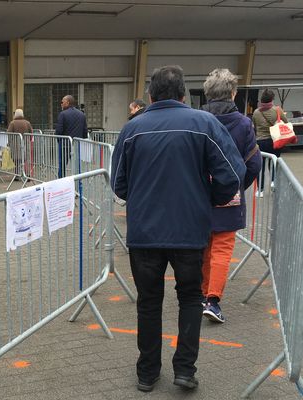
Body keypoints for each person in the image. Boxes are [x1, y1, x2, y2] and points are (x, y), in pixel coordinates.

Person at [111, 65, 245, 393]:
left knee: (148, 301)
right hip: (190, 230)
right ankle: (185, 370)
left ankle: (147, 373)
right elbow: (232, 174)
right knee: (189, 297)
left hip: (144, 233)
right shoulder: (204, 124)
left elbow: (118, 183)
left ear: (150, 96)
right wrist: (208, 200)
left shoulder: (132, 129)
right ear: (184, 94)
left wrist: (142, 198)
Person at [200, 69, 262, 324]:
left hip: (201, 194)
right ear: (233, 93)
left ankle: (202, 293)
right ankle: (213, 301)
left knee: (203, 246)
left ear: (207, 93)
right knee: (223, 248)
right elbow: (254, 163)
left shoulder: (198, 119)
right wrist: (238, 185)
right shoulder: (244, 124)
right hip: (230, 195)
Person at [252, 89, 288, 194]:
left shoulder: (256, 112)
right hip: (275, 140)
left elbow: (255, 127)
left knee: (261, 166)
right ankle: (273, 181)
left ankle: (260, 190)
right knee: (274, 162)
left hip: (260, 142)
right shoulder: (277, 110)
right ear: (272, 99)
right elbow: (286, 122)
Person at [55, 95, 87, 177]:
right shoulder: (81, 114)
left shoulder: (62, 114)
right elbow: (85, 132)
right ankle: (78, 186)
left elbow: (58, 131)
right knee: (77, 167)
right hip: (77, 144)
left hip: (64, 144)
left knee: (62, 166)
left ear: (68, 102)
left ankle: (61, 184)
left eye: (62, 102)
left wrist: (59, 141)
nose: (61, 104)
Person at [7, 108, 32, 179]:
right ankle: (27, 174)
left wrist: (9, 143)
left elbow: (9, 133)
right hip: (26, 143)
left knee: (17, 160)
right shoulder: (27, 123)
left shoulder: (12, 123)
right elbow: (31, 132)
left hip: (16, 144)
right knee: (26, 160)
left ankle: (17, 175)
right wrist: (29, 140)